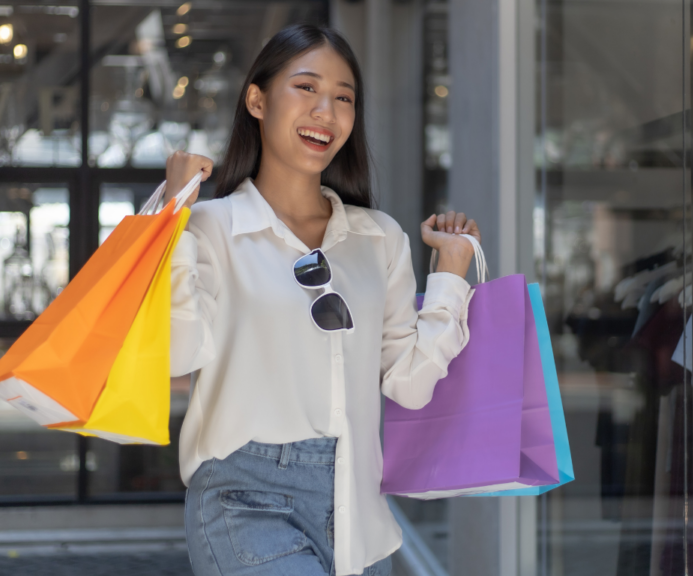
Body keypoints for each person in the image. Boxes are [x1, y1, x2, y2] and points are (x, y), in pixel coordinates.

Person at [164, 23, 481, 576]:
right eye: (306, 88)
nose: (326, 112)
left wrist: (451, 273)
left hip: (356, 514)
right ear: (257, 100)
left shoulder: (377, 238)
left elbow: (408, 382)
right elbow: (176, 353)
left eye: (343, 98)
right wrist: (169, 219)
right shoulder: (208, 228)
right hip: (244, 499)